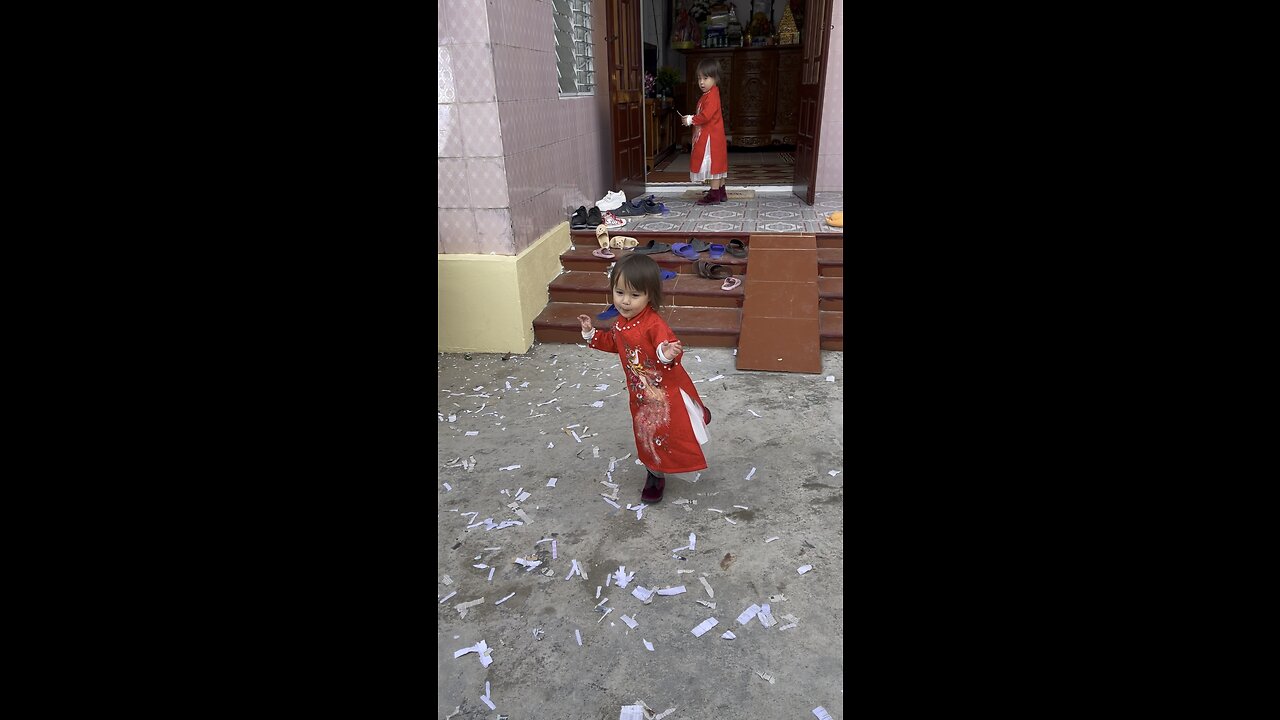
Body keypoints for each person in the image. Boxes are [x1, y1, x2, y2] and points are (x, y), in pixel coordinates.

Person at [577, 254, 711, 502]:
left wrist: (666, 352)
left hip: (663, 393)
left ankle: (665, 462)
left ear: (650, 296)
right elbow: (614, 342)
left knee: (669, 429)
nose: (625, 301)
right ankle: (654, 471)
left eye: (634, 295)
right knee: (644, 432)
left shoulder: (653, 324)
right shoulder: (620, 324)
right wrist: (591, 334)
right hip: (639, 394)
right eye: (619, 292)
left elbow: (664, 346)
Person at [684, 58, 728, 205]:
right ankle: (721, 192)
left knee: (714, 164)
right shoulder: (710, 94)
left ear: (715, 78)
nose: (701, 82)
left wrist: (691, 119)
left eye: (705, 78)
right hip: (713, 135)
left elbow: (706, 115)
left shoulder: (712, 95)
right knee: (718, 164)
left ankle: (714, 194)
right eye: (699, 78)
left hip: (711, 137)